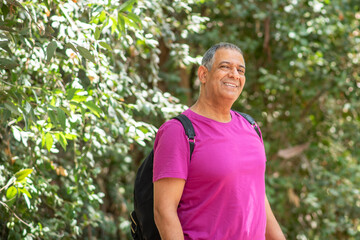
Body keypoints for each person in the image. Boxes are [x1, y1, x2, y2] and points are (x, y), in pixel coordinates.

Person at [153, 42, 286, 240]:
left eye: (240, 70)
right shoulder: (178, 131)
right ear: (203, 74)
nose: (234, 74)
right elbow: (164, 211)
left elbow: (258, 198)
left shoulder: (251, 127)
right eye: (225, 67)